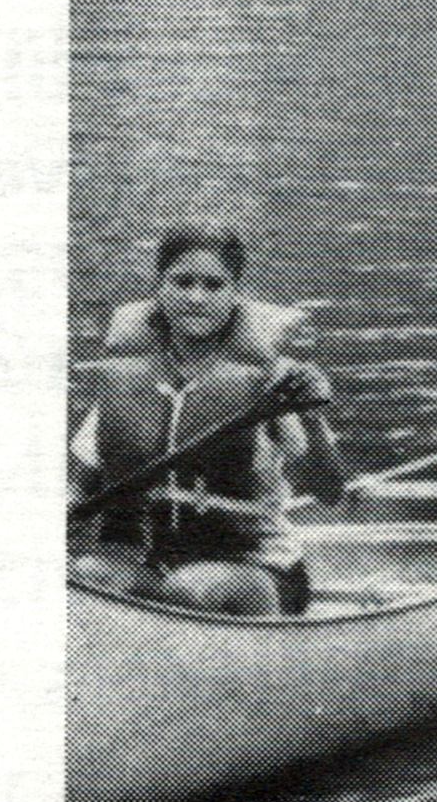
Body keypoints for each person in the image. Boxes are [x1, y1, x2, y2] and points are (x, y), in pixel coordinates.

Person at [69, 223, 346, 615]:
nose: (196, 297)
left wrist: (311, 417)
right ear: (159, 287)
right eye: (182, 282)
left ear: (235, 293)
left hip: (259, 569)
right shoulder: (129, 378)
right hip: (158, 564)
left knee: (192, 587)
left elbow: (329, 492)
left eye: (213, 285)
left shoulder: (272, 383)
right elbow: (80, 488)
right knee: (89, 574)